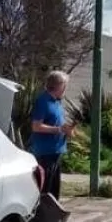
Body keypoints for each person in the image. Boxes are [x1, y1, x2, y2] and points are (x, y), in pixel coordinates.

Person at [29, 70, 75, 199]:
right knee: (45, 190)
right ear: (59, 85)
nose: (65, 88)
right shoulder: (43, 101)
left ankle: (53, 215)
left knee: (54, 191)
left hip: (56, 151)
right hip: (45, 153)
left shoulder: (57, 102)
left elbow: (57, 123)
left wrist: (67, 130)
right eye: (65, 85)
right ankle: (41, 216)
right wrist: (59, 130)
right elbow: (36, 126)